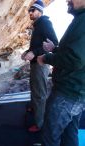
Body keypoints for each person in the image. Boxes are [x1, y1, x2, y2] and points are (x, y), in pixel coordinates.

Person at [37, 0, 85, 145]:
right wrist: (55, 49)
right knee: (69, 135)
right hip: (77, 92)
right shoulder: (80, 19)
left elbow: (75, 59)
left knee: (49, 137)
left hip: (67, 93)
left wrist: (46, 57)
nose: (67, 0)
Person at [21, 0, 58, 132]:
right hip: (35, 63)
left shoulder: (45, 23)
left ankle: (40, 124)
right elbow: (36, 46)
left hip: (41, 63)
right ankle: (33, 107)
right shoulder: (37, 25)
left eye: (33, 10)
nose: (30, 13)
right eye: (29, 11)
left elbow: (54, 43)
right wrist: (27, 52)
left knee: (39, 94)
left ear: (40, 11)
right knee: (34, 88)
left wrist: (34, 52)